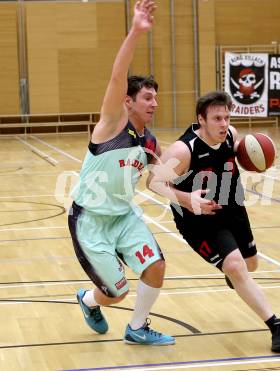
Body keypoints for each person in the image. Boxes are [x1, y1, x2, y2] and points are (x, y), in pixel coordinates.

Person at [147, 91, 280, 353]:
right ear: (201, 120)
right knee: (237, 267)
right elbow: (154, 182)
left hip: (233, 208)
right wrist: (185, 198)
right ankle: (277, 325)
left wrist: (257, 159)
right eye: (216, 119)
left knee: (250, 264)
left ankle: (235, 275)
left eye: (226, 117)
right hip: (199, 219)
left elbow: (243, 155)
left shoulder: (231, 136)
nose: (223, 124)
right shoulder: (184, 149)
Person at [67, 0, 175, 346]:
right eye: (146, 97)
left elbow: (159, 180)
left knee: (156, 266)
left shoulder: (150, 142)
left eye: (156, 97)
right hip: (91, 221)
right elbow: (118, 75)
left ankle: (138, 328)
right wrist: (136, 31)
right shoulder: (112, 123)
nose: (153, 103)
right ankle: (88, 299)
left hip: (124, 217)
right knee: (116, 294)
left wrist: (189, 198)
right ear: (128, 101)